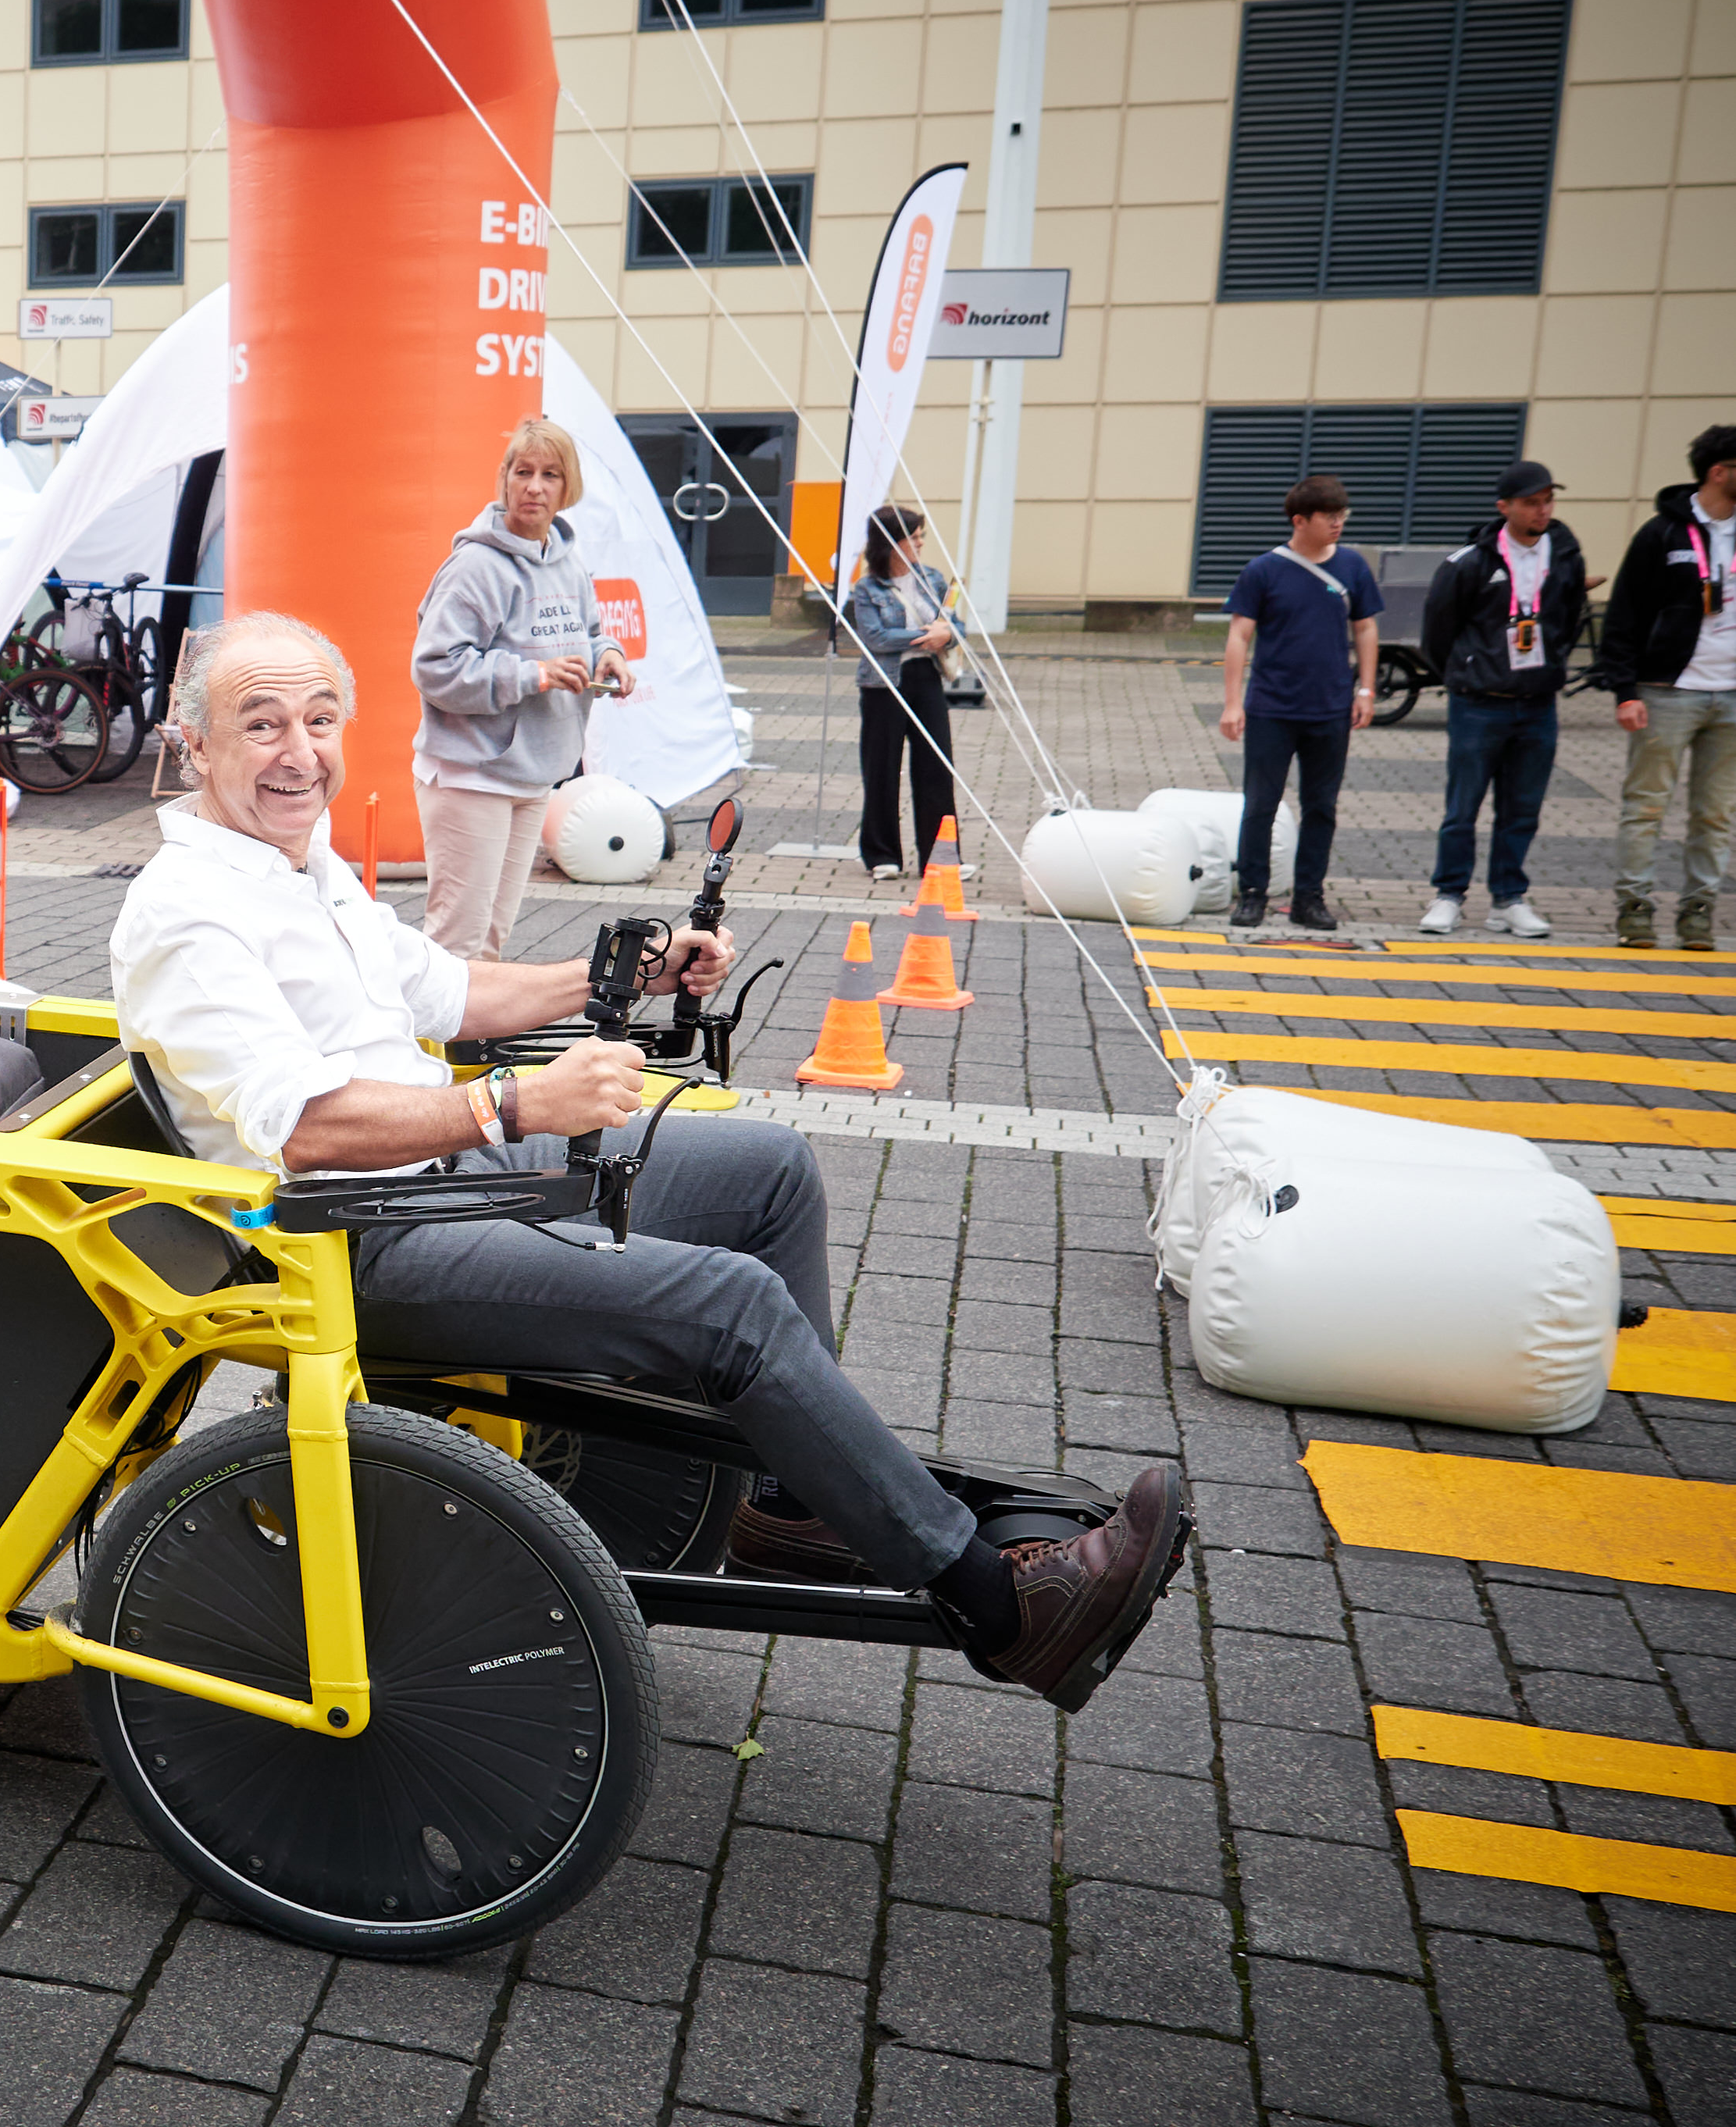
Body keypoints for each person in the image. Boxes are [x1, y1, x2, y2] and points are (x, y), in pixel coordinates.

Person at [112, 611, 1188, 1713]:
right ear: (196, 748)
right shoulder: (189, 911)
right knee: (726, 1306)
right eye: (261, 725)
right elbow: (300, 1128)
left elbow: (446, 991)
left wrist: (627, 972)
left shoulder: (296, 863)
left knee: (767, 1172)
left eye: (318, 719)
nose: (298, 753)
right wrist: (516, 1101)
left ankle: (788, 1500)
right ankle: (1002, 1609)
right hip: (350, 1245)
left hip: (430, 1172)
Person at [411, 416, 630, 960]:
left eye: (550, 474)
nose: (534, 486)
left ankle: (473, 1042)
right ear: (504, 478)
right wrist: (532, 675)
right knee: (455, 941)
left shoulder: (567, 562)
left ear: (567, 487)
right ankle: (426, 1044)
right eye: (523, 471)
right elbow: (436, 667)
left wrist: (609, 657)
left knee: (490, 938)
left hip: (533, 775)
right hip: (472, 775)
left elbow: (594, 632)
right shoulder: (476, 567)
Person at [1417, 460, 1590, 937]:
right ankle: (1448, 894)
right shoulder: (1471, 562)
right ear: (1505, 507)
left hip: (1537, 704)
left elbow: (1570, 618)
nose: (1542, 510)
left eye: (1547, 501)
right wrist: (1467, 672)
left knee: (1522, 809)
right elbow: (1437, 633)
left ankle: (1508, 899)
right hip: (1479, 703)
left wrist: (1550, 663)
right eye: (1531, 502)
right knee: (1462, 808)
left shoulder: (1566, 556)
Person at [1593, 425, 1736, 951]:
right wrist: (1623, 691)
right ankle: (1634, 909)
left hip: (1731, 695)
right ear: (1717, 471)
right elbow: (1624, 615)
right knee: (1646, 805)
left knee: (1716, 813)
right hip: (1667, 691)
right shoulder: (1662, 534)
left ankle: (1697, 912)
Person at [1218, 475, 1381, 928]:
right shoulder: (1263, 571)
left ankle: (1310, 896)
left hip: (1330, 708)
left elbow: (1365, 628)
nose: (1338, 524)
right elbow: (1239, 635)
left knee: (1321, 806)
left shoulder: (1352, 567)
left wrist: (1365, 689)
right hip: (1272, 707)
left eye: (1342, 515)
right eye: (1330, 517)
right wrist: (1234, 703)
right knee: (1260, 805)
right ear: (1300, 520)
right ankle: (1252, 894)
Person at [841, 505, 961, 883]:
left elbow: (954, 623)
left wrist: (949, 633)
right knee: (882, 768)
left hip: (925, 678)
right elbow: (875, 638)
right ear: (892, 543)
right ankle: (882, 855)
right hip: (883, 685)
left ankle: (940, 856)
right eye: (915, 537)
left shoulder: (934, 579)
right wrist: (930, 636)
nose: (922, 543)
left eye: (922, 536)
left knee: (936, 767)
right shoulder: (867, 588)